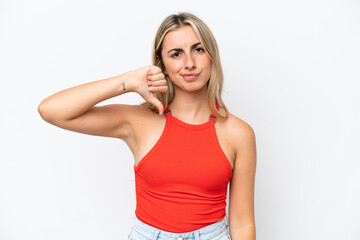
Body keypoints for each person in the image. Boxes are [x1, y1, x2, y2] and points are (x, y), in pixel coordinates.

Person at [38, 12, 256, 240]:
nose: (189, 63)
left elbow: (242, 224)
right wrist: (129, 81)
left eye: (198, 49)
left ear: (212, 56)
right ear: (162, 64)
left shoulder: (239, 133)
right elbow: (51, 110)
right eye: (176, 54)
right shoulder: (138, 121)